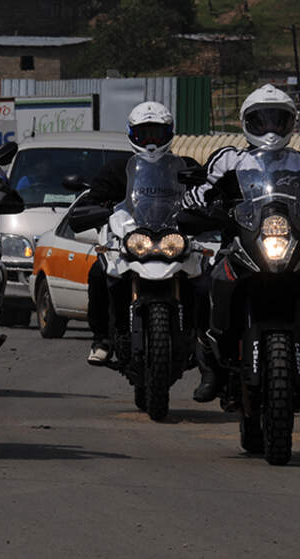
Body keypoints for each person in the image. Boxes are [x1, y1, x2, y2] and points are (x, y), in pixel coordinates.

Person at [185, 84, 300, 408]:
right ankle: (211, 369)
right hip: (239, 246)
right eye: (263, 121)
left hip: (296, 246)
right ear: (248, 123)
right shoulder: (228, 159)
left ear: (290, 123)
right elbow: (199, 192)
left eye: (278, 120)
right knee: (204, 284)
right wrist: (199, 208)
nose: (271, 128)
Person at [79, 101, 200, 366]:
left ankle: (201, 339)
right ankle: (103, 339)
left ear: (169, 133)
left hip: (173, 239)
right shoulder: (116, 170)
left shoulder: (186, 167)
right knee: (98, 273)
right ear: (132, 134)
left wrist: (209, 211)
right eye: (144, 134)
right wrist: (95, 210)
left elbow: (204, 196)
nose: (151, 141)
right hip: (130, 239)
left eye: (157, 133)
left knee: (204, 276)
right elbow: (94, 198)